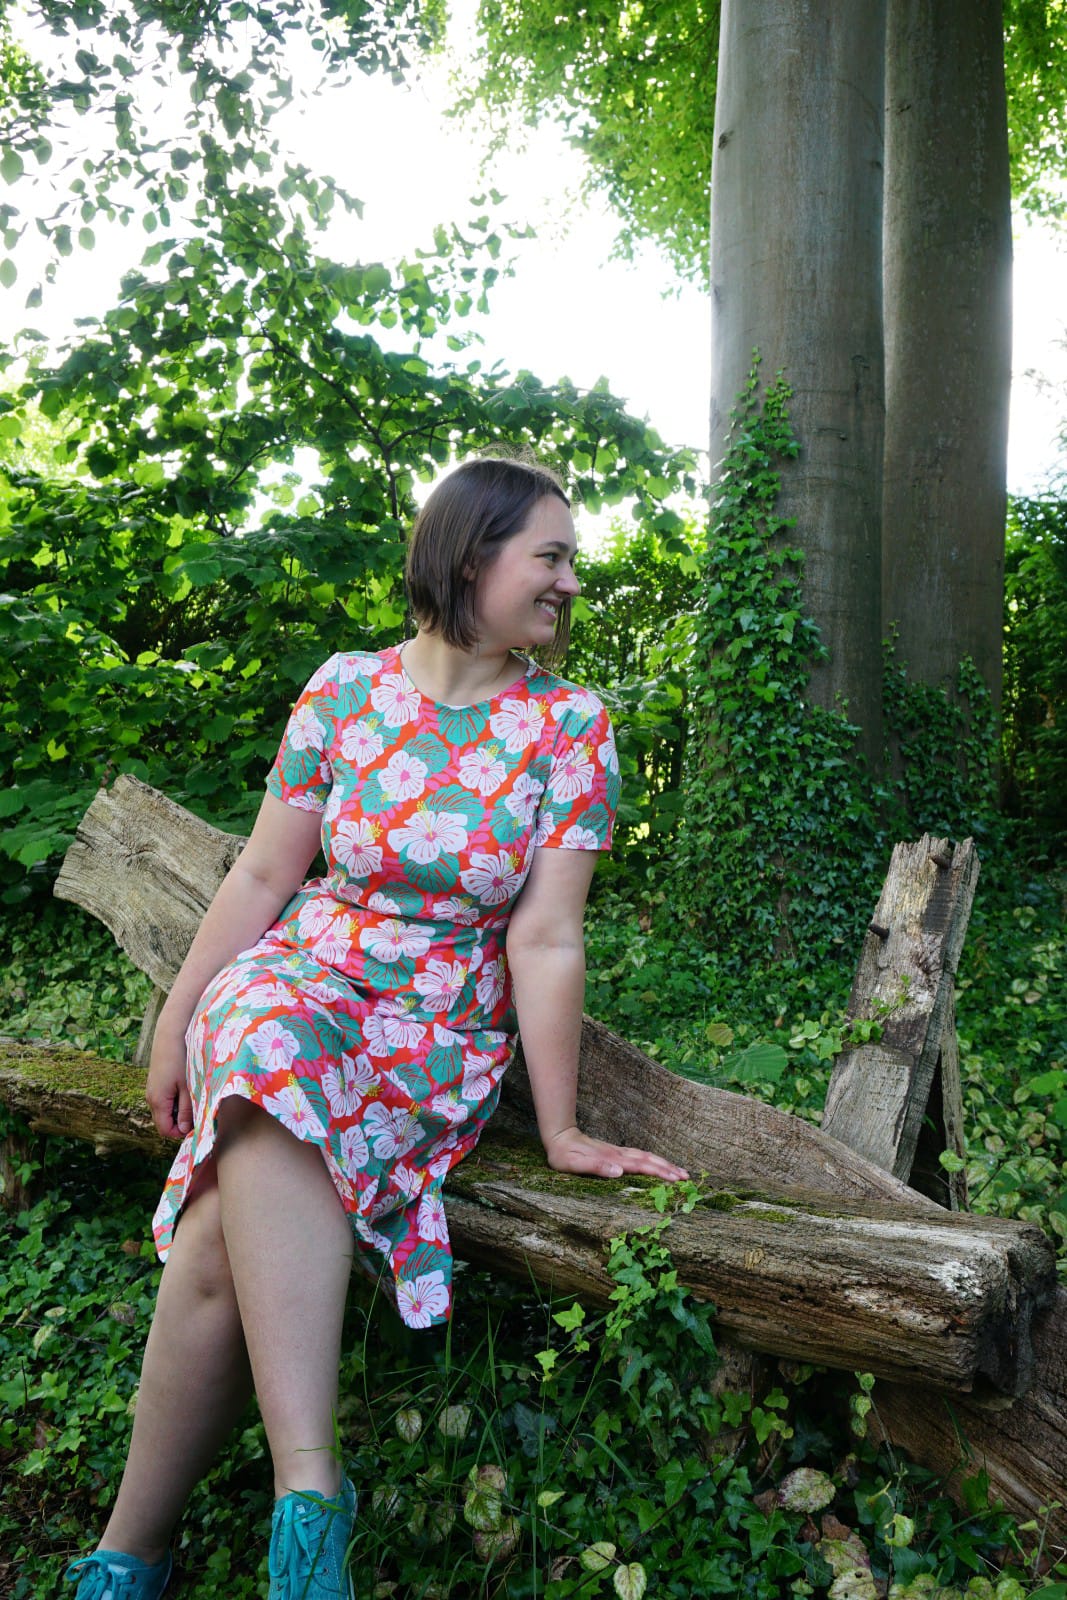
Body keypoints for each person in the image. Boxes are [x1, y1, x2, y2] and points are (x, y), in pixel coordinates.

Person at [64, 456, 687, 1600]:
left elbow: (545, 936)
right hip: (293, 987)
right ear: (471, 556)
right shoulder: (344, 691)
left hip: (425, 1039)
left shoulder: (569, 727)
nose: (568, 581)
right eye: (549, 556)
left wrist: (558, 1128)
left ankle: (129, 1556)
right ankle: (309, 1498)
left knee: (218, 1229)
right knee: (264, 1034)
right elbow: (264, 876)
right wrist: (176, 1016)